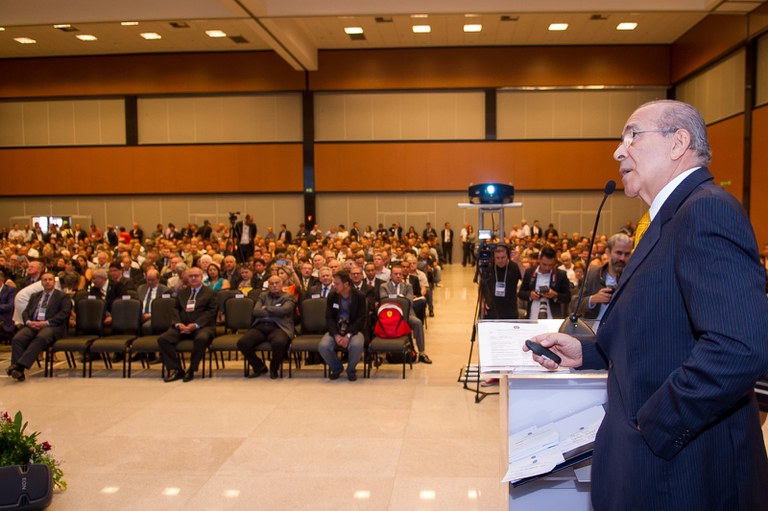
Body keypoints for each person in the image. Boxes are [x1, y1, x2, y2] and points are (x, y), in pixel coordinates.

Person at [525, 100, 768, 510]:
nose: (618, 151)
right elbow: (659, 328)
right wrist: (587, 352)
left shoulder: (705, 210)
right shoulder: (667, 218)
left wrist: (654, 422)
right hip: (654, 465)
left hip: (685, 473)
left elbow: (741, 346)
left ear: (679, 143)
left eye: (632, 135)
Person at [7, 272, 71, 382]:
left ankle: (19, 366)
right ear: (41, 282)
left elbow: (64, 314)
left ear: (54, 282)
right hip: (33, 324)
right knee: (18, 338)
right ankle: (18, 372)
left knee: (41, 338)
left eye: (50, 279)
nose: (47, 282)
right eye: (45, 280)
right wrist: (28, 322)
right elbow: (26, 312)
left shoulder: (62, 297)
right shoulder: (35, 296)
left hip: (52, 326)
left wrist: (45, 323)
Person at [158, 267, 218, 382]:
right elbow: (175, 309)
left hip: (203, 327)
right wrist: (178, 324)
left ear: (202, 277)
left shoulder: (210, 293)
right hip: (182, 326)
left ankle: (191, 369)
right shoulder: (182, 292)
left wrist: (195, 325)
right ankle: (177, 369)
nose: (193, 278)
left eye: (196, 276)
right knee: (163, 339)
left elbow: (211, 312)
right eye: (191, 276)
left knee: (201, 339)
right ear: (187, 278)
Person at [237, 275, 296, 379]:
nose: (274, 285)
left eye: (277, 283)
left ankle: (274, 368)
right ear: (268, 285)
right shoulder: (263, 296)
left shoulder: (288, 297)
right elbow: (255, 311)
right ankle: (259, 367)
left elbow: (284, 311)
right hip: (261, 326)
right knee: (242, 343)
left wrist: (266, 308)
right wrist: (274, 311)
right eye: (271, 283)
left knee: (279, 343)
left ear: (281, 284)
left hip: (279, 327)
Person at [318, 270, 367, 381]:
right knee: (323, 346)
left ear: (346, 284)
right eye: (334, 283)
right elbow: (329, 318)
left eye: (337, 284)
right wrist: (336, 335)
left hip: (354, 330)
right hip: (336, 329)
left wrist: (348, 335)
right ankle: (336, 368)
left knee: (356, 345)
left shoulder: (359, 296)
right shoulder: (332, 296)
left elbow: (361, 319)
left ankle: (351, 370)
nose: (334, 286)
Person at [379, 265, 432, 364]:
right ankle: (381, 354)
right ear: (391, 275)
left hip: (406, 314)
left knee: (418, 322)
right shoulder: (384, 286)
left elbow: (409, 302)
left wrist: (394, 299)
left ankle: (422, 353)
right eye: (395, 274)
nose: (398, 276)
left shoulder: (408, 286)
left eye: (400, 274)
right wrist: (401, 298)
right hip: (390, 315)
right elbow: (384, 301)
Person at [577, 233, 632, 322]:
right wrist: (593, 299)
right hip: (594, 329)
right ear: (608, 252)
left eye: (627, 254)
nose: (622, 258)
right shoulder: (593, 274)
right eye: (618, 253)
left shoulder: (633, 277)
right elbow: (575, 305)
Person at [518, 246, 571, 319]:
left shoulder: (560, 275)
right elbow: (521, 293)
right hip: (532, 316)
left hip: (552, 318)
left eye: (550, 265)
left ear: (555, 262)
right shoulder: (530, 272)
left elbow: (567, 298)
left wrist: (555, 295)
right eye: (544, 264)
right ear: (539, 259)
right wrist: (530, 294)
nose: (547, 268)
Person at [482, 244, 523, 319]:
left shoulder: (514, 266)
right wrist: (482, 302)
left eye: (503, 257)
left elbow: (526, 280)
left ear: (508, 256)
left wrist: (519, 262)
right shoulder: (489, 267)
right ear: (494, 257)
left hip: (510, 311)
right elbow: (482, 287)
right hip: (491, 311)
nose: (500, 260)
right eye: (497, 258)